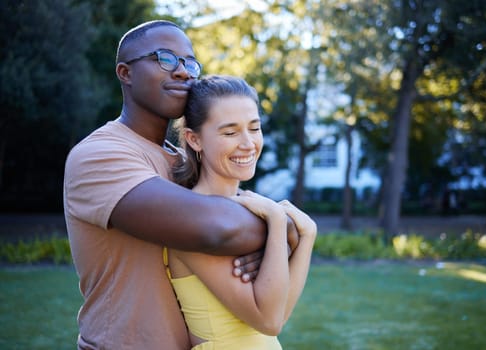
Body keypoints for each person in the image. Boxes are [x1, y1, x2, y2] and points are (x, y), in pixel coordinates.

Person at [63, 20, 298, 349]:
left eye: (190, 62)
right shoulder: (100, 155)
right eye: (165, 58)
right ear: (125, 73)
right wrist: (282, 228)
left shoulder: (181, 161)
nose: (184, 72)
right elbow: (216, 227)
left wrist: (262, 236)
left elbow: (230, 218)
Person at [164, 75, 317, 349]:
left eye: (254, 128)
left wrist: (307, 236)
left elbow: (279, 315)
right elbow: (268, 320)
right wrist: (277, 220)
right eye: (230, 132)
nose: (248, 143)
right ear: (194, 139)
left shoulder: (245, 209)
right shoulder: (193, 220)